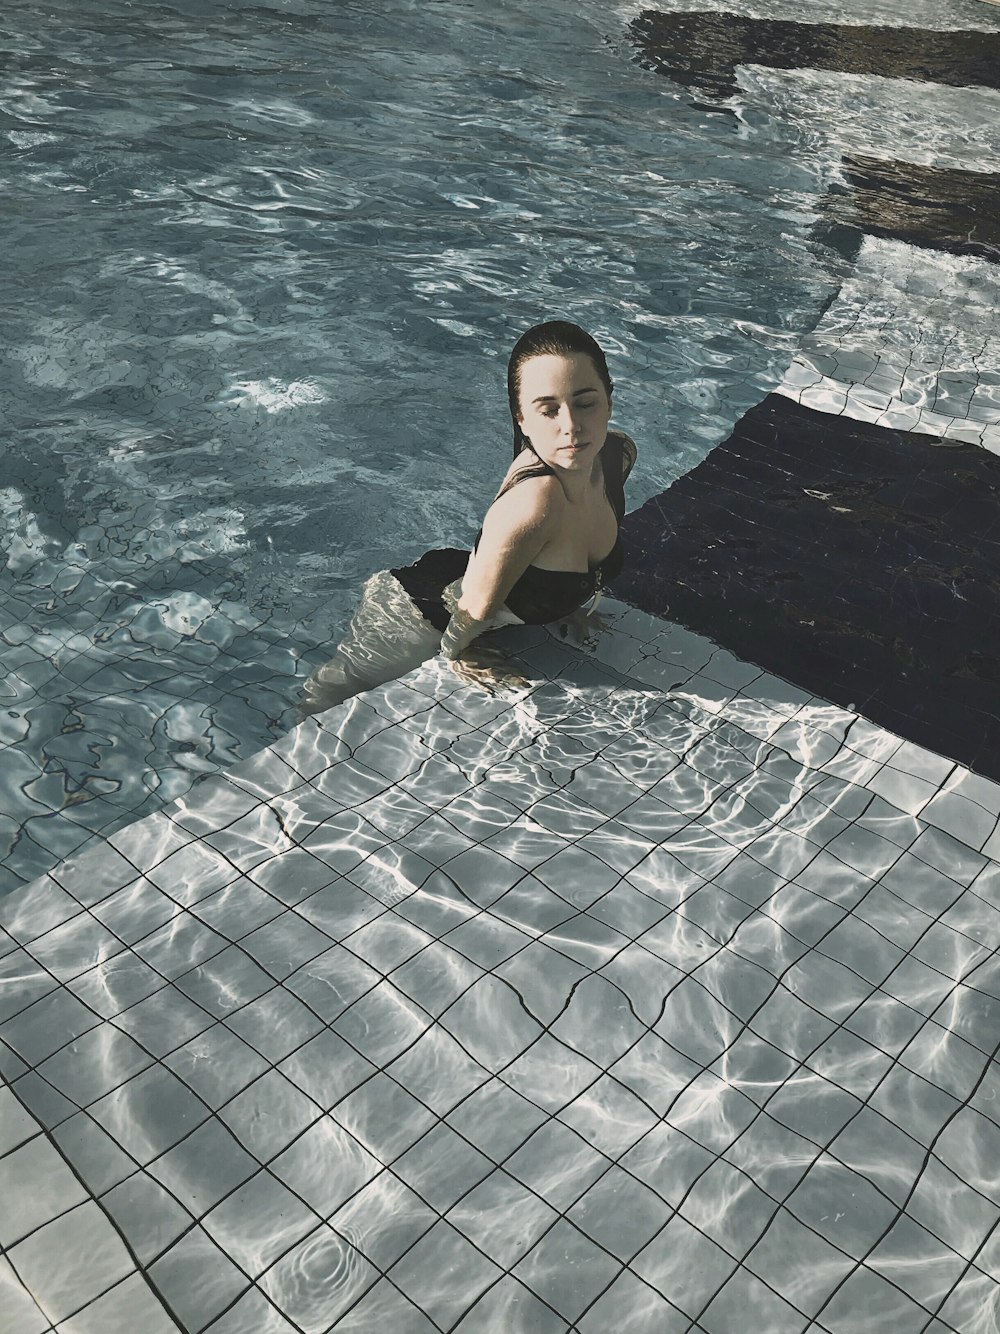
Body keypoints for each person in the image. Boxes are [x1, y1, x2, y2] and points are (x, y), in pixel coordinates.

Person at [300, 320, 638, 715]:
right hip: (421, 612)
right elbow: (474, 608)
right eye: (548, 409)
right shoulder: (534, 502)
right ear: (521, 419)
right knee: (332, 696)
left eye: (585, 403)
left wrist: (569, 599)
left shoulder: (617, 455)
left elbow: (565, 552)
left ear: (609, 402)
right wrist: (457, 653)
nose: (571, 426)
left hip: (466, 575)